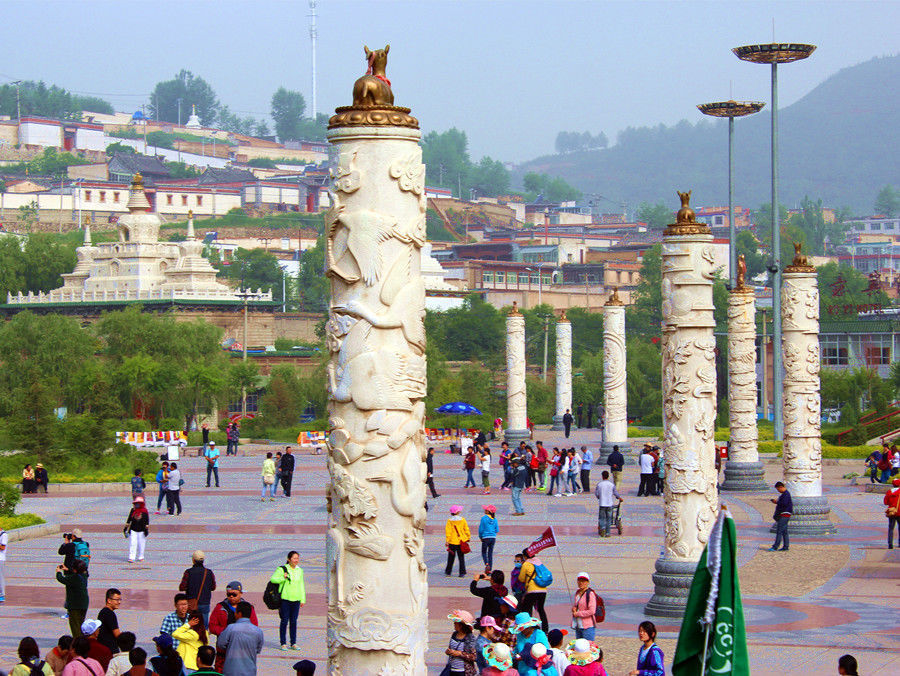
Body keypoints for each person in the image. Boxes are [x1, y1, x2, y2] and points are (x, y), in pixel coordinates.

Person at [208, 581, 259, 673]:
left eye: (234, 594)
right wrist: (226, 632)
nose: (231, 597)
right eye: (229, 594)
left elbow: (254, 626)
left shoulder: (247, 608)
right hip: (223, 652)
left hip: (242, 651)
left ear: (241, 593)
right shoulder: (220, 607)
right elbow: (212, 626)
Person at [217, 600, 264, 675]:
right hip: (250, 670)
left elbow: (220, 644)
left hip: (231, 670)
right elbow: (258, 649)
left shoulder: (231, 628)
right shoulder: (258, 631)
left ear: (239, 614)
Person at [272, 550, 306, 650]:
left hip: (296, 599)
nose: (296, 560)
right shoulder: (282, 569)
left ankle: (293, 643)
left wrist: (302, 599)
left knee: (294, 621)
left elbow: (301, 585)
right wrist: (283, 578)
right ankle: (283, 643)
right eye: (294, 558)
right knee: (284, 621)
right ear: (289, 559)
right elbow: (274, 579)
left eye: (297, 558)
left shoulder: (300, 570)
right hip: (285, 599)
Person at [180, 550, 217, 625]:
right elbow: (213, 587)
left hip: (191, 604)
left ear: (193, 560)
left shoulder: (188, 572)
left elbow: (182, 587)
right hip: (205, 603)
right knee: (204, 626)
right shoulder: (209, 572)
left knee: (190, 625)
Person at [518, 550, 550, 632]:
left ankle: (528, 628)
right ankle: (545, 630)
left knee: (526, 609)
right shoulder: (539, 562)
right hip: (543, 590)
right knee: (541, 609)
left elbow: (521, 579)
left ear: (525, 556)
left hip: (532, 591)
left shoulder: (526, 564)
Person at [56, 560, 89, 638]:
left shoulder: (73, 578)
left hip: (75, 605)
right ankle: (82, 640)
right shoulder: (84, 575)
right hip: (84, 604)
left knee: (75, 626)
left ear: (74, 569)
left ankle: (78, 643)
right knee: (81, 624)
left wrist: (58, 572)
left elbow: (62, 579)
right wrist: (68, 570)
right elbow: (77, 573)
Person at [443, 609, 478, 676]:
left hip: (463, 672)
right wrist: (449, 652)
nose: (454, 624)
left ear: (461, 625)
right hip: (452, 669)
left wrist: (460, 654)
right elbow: (450, 648)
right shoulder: (454, 634)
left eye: (456, 622)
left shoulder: (470, 638)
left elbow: (475, 657)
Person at [594, 470, 623, 537]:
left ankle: (603, 528)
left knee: (602, 518)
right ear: (608, 476)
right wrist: (619, 498)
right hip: (609, 504)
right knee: (609, 518)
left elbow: (596, 493)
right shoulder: (611, 485)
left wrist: (599, 497)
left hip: (602, 503)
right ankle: (608, 533)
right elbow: (615, 493)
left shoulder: (599, 484)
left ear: (602, 476)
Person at [571, 573, 598, 640]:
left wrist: (577, 613)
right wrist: (574, 609)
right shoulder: (577, 593)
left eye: (583, 581)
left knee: (589, 647)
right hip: (578, 626)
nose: (581, 583)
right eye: (579, 580)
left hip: (588, 627)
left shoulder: (590, 594)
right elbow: (577, 605)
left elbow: (592, 611)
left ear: (588, 582)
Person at [446, 505, 471, 577]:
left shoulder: (449, 520)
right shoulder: (462, 519)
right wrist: (468, 537)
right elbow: (466, 529)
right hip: (461, 541)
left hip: (452, 541)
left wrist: (447, 540)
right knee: (461, 557)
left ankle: (448, 571)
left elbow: (448, 531)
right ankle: (462, 572)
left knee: (451, 558)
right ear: (458, 512)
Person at [97, 587, 123, 654]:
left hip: (103, 647)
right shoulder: (110, 614)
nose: (119, 602)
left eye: (120, 599)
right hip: (110, 649)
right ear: (109, 600)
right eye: (117, 600)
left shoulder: (103, 611)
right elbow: (117, 634)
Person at [124, 496, 150, 563]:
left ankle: (141, 556)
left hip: (142, 530)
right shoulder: (133, 510)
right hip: (133, 530)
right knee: (133, 543)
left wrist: (146, 530)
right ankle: (131, 557)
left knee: (141, 544)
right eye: (136, 503)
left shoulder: (145, 511)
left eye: (138, 503)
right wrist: (125, 529)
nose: (137, 505)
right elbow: (129, 520)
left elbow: (147, 522)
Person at [769, 481, 792, 552]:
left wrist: (777, 502)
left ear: (781, 487)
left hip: (784, 514)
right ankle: (786, 546)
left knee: (779, 531)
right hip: (786, 514)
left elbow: (784, 504)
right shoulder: (785, 494)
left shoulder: (785, 495)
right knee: (785, 531)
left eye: (778, 489)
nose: (778, 491)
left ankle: (775, 546)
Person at [479, 505, 499, 571]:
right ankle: (490, 569)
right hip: (493, 538)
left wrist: (480, 536)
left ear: (488, 511)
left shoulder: (484, 518)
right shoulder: (495, 519)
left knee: (484, 552)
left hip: (485, 538)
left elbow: (481, 529)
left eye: (485, 509)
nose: (484, 510)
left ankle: (487, 564)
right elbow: (497, 530)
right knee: (490, 554)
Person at [884, 477, 900, 549]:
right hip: (899, 512)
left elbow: (885, 502)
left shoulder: (889, 492)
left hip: (892, 512)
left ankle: (890, 544)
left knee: (891, 528)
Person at [0, 521, 6, 604]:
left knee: (0, 577)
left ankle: (2, 595)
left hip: (0, 558)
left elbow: (2, 547)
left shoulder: (4, 535)